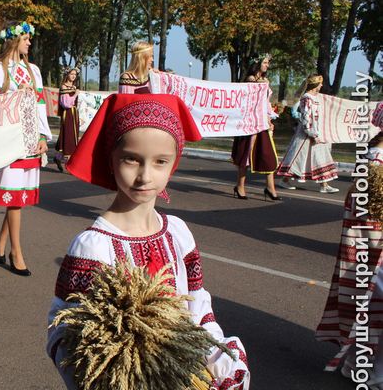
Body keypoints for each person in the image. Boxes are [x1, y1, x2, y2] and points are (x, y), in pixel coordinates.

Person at [46, 94, 250, 389]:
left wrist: (215, 361)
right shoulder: (92, 247)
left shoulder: (178, 233)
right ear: (111, 160)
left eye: (160, 162)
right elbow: (63, 332)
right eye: (131, 159)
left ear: (173, 164)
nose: (144, 175)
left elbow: (198, 305)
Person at [315, 102, 383, 387]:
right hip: (373, 249)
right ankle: (367, 371)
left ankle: (359, 365)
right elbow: (366, 213)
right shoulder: (376, 160)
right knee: (372, 305)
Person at [0, 21, 51, 276]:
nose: (30, 43)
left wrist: (43, 134)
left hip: (29, 138)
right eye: (26, 38)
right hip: (8, 140)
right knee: (15, 196)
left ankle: (0, 240)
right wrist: (13, 95)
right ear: (13, 39)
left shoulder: (33, 70)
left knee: (18, 196)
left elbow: (40, 104)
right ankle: (15, 252)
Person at [231, 53, 282, 201]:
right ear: (257, 63)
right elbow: (251, 103)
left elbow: (265, 103)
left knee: (269, 155)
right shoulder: (251, 80)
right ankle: (240, 186)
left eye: (268, 63)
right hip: (251, 123)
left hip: (263, 123)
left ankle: (270, 187)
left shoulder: (265, 80)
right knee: (246, 155)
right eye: (265, 62)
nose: (267, 65)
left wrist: (269, 118)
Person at [275, 74, 339, 193]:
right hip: (307, 134)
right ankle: (284, 180)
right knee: (298, 158)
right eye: (321, 83)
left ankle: (324, 185)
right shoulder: (306, 98)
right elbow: (306, 118)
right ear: (315, 84)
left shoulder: (317, 97)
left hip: (317, 132)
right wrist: (312, 133)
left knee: (319, 158)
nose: (322, 85)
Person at [53, 67, 81, 172]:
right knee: (68, 137)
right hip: (68, 113)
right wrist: (76, 95)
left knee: (73, 137)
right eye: (71, 74)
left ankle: (58, 158)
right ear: (67, 75)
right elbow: (66, 104)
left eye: (75, 74)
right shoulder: (64, 87)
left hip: (74, 114)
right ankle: (70, 164)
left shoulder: (73, 87)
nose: (73, 76)